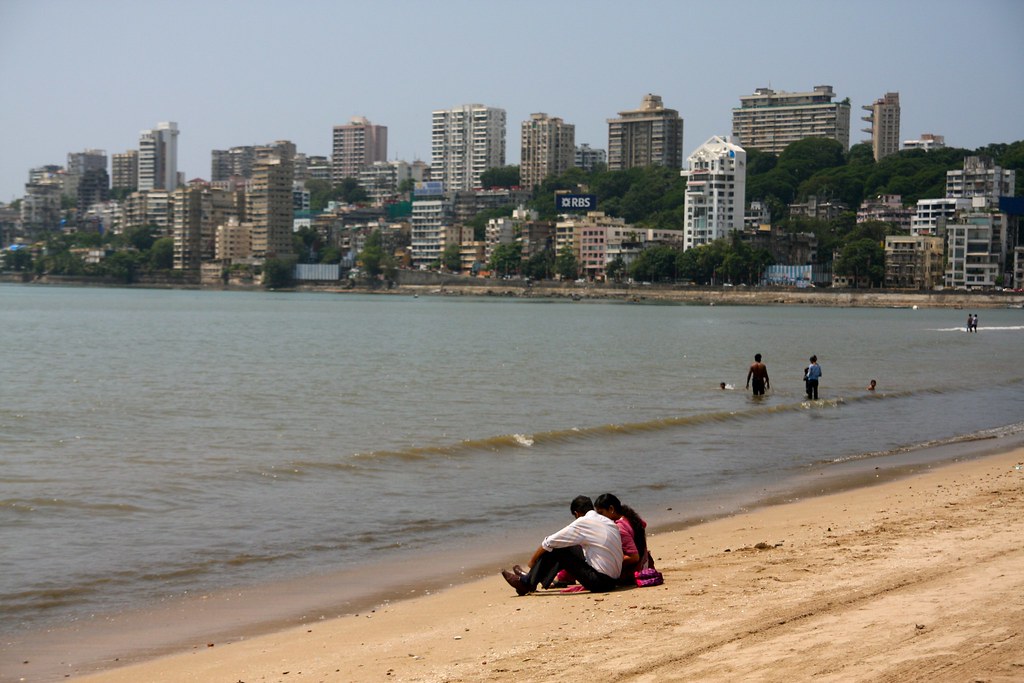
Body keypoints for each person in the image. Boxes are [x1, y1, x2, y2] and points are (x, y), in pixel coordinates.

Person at [501, 495, 622, 596]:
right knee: (568, 547)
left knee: (558, 548)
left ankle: (527, 582)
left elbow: (549, 542)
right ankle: (534, 579)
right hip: (614, 580)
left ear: (577, 513)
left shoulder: (582, 522)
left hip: (601, 582)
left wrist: (532, 561)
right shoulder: (608, 522)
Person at [594, 493, 652, 584]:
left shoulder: (619, 529)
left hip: (632, 571)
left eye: (601, 513)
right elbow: (643, 524)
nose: (599, 517)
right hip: (645, 563)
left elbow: (634, 557)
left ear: (611, 509)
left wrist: (611, 563)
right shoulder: (629, 517)